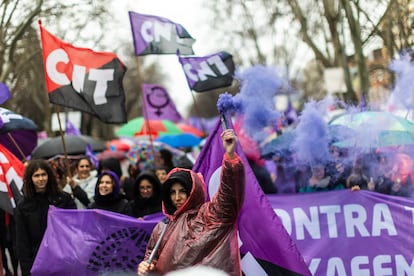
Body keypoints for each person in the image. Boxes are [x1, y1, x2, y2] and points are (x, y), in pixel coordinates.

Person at [137, 129, 245, 276]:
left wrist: (230, 157)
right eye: (172, 192)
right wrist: (146, 266)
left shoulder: (208, 216)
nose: (177, 197)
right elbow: (151, 258)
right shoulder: (162, 228)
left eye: (182, 191)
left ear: (193, 191)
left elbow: (228, 195)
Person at [15, 159, 76, 275]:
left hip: (62, 258)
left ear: (49, 176)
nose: (41, 179)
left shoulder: (64, 199)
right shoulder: (23, 206)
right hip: (37, 261)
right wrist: (27, 270)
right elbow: (22, 242)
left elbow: (73, 230)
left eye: (43, 174)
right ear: (30, 179)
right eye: (36, 175)